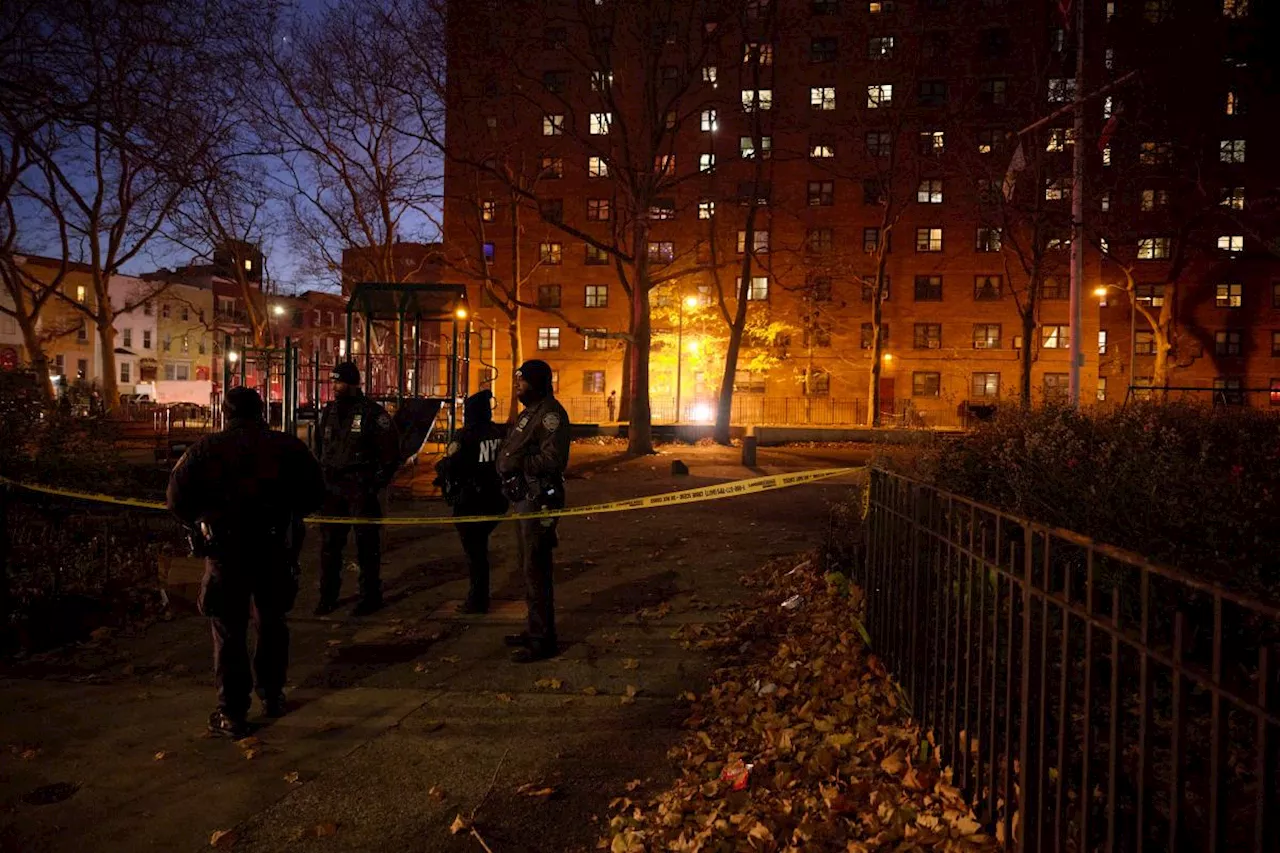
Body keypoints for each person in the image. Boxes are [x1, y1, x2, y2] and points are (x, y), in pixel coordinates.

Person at [167, 387, 324, 738]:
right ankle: (272, 696)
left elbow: (176, 498)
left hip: (226, 553)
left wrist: (202, 520)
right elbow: (316, 492)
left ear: (226, 413)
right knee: (271, 624)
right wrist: (288, 516)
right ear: (261, 412)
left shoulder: (206, 450)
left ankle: (233, 712)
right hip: (273, 548)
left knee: (229, 631)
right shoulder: (286, 447)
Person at [496, 360, 571, 663]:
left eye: (522, 381)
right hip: (524, 497)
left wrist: (518, 465)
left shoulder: (550, 414)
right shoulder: (531, 413)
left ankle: (543, 640)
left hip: (539, 499)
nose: (517, 385)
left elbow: (553, 459)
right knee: (527, 567)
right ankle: (534, 628)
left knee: (536, 569)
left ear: (538, 382)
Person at [314, 361, 401, 616]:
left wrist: (375, 483)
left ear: (353, 384)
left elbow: (390, 453)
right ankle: (328, 596)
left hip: (361, 487)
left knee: (367, 546)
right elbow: (320, 447)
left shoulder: (373, 414)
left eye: (339, 382)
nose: (335, 387)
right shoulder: (329, 412)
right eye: (333, 382)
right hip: (333, 488)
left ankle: (370, 596)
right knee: (330, 546)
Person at [433, 389, 508, 614]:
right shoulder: (498, 432)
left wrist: (441, 469)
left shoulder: (465, 435)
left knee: (475, 554)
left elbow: (453, 465)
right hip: (495, 499)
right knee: (479, 551)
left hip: (471, 501)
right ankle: (479, 597)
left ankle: (477, 600)